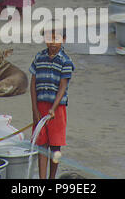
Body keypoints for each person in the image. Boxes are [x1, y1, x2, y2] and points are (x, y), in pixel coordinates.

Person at [29, 23, 75, 179]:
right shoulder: (38, 57)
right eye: (49, 38)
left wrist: (53, 108)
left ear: (64, 39)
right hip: (40, 106)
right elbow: (33, 84)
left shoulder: (66, 61)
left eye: (56, 38)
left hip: (58, 109)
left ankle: (52, 177)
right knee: (42, 145)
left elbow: (62, 87)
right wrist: (35, 110)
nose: (53, 42)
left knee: (56, 146)